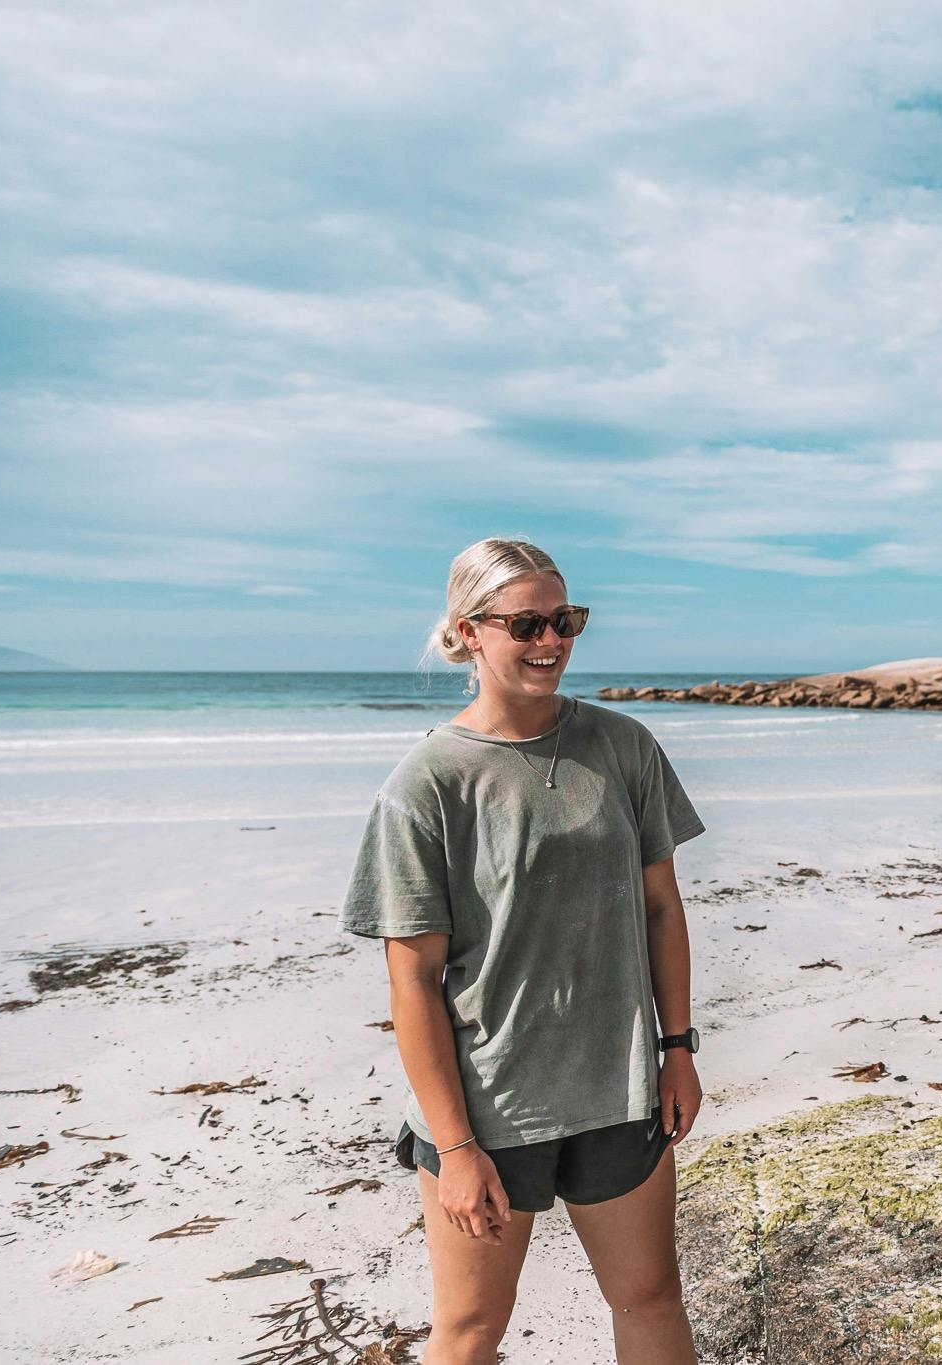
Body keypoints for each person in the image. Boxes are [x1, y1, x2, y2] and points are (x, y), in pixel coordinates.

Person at [342, 538, 707, 1365]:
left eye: (565, 620)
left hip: (619, 1090)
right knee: (471, 1330)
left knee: (649, 1297)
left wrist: (676, 1049)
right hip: (491, 1106)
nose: (551, 642)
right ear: (469, 631)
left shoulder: (624, 746)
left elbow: (660, 907)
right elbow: (414, 982)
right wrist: (458, 1146)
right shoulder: (426, 784)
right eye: (527, 624)